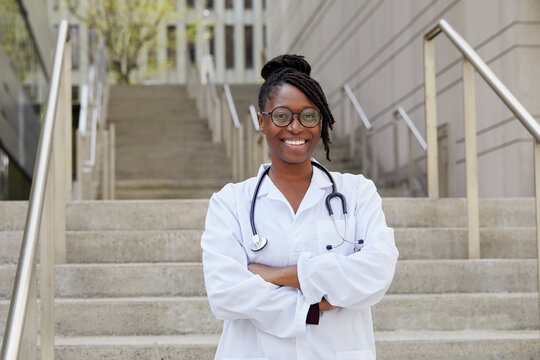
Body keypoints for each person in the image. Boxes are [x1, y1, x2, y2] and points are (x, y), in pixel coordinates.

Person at [201, 54, 398, 360]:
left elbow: (376, 273)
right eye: (282, 115)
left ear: (321, 121)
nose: (295, 127)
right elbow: (225, 293)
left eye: (308, 116)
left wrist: (274, 275)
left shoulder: (357, 193)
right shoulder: (229, 203)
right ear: (262, 121)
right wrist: (318, 304)